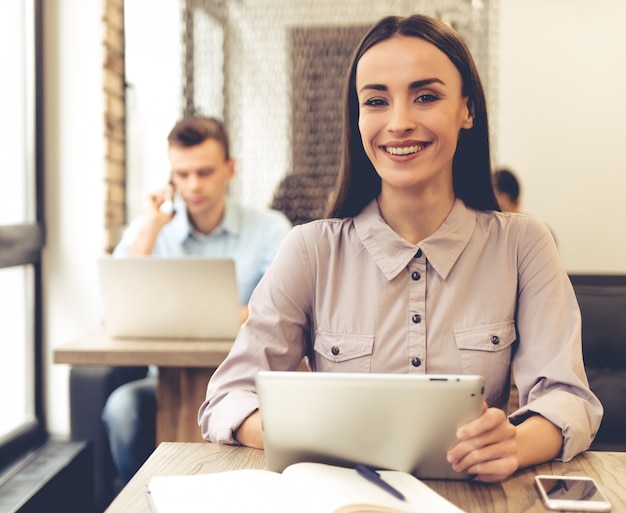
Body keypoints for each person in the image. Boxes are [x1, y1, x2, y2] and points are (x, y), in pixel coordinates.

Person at [198, 15, 602, 483]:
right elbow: (227, 398)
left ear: (466, 109)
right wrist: (314, 436)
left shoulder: (523, 244)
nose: (400, 123)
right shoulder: (310, 249)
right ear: (358, 117)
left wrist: (514, 443)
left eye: (426, 96)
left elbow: (569, 399)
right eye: (376, 101)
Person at [102, 116, 292, 483]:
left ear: (229, 169)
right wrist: (152, 226)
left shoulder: (270, 229)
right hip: (168, 381)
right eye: (182, 174)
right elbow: (116, 307)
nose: (193, 185)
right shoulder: (152, 230)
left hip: (247, 384)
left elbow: (288, 308)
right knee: (122, 409)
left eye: (204, 172)